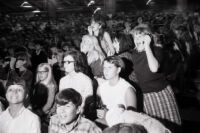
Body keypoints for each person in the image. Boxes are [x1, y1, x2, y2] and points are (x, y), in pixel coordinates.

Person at [130, 25, 181, 130]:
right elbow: (139, 72)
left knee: (171, 125)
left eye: (140, 36)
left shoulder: (157, 50)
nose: (137, 39)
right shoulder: (134, 53)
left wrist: (147, 47)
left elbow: (154, 68)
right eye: (135, 37)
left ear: (148, 38)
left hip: (161, 92)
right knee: (155, 127)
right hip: (147, 95)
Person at [96, 56, 137, 124]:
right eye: (104, 68)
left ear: (118, 70)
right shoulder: (100, 88)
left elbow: (132, 119)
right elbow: (100, 109)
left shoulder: (128, 90)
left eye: (109, 67)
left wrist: (107, 114)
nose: (106, 71)